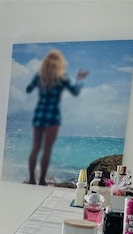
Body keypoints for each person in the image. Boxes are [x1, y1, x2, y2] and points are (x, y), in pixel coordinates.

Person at [26, 49, 88, 185]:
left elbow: (28, 89)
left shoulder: (39, 76)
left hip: (39, 114)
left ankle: (31, 179)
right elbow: (75, 91)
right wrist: (79, 79)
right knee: (47, 149)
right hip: (53, 116)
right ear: (59, 63)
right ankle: (41, 179)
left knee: (35, 147)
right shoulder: (62, 77)